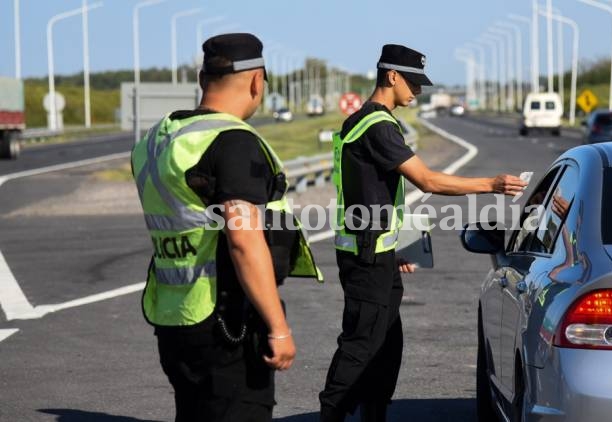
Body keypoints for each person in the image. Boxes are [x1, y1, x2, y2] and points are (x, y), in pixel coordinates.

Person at [319, 44, 528, 422]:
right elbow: (428, 180)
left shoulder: (364, 121)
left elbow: (368, 192)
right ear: (391, 76)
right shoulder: (377, 125)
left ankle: (372, 414)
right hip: (366, 258)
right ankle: (332, 413)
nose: (417, 91)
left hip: (374, 252)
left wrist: (392, 246)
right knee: (361, 346)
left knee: (385, 346)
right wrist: (492, 184)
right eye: (413, 82)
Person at [131, 33, 321, 422]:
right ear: (257, 81)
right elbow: (243, 242)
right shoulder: (231, 140)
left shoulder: (157, 140)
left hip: (173, 315)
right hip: (226, 321)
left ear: (203, 80)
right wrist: (278, 327)